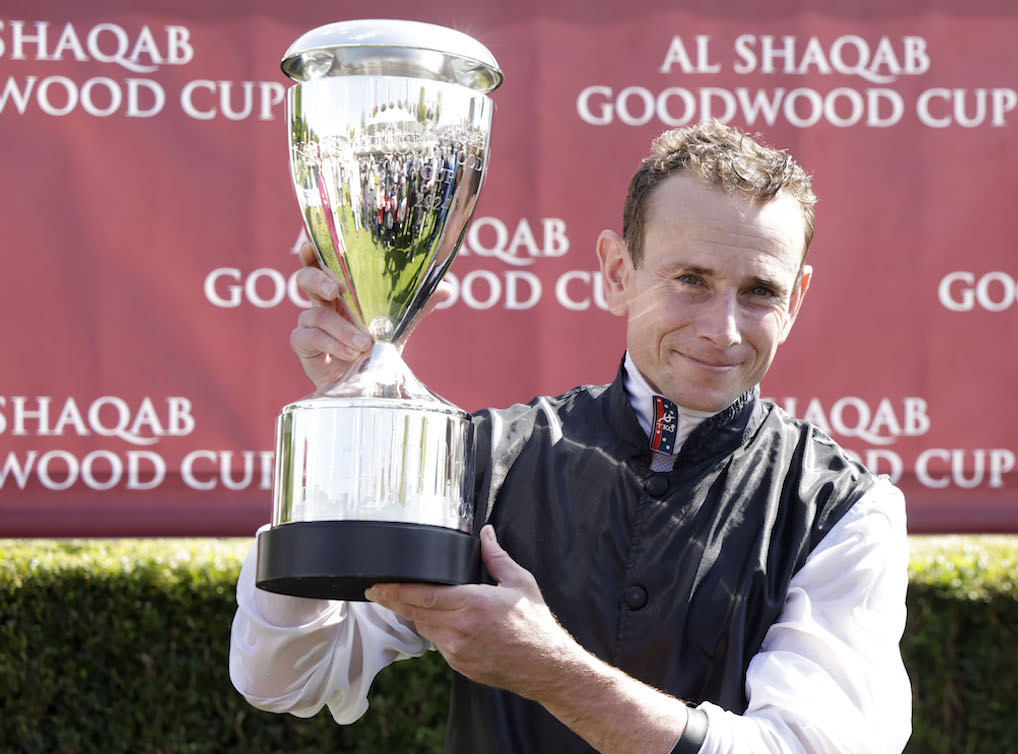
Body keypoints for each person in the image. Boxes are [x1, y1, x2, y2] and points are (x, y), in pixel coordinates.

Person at [230, 121, 912, 754]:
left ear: (794, 302)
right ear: (618, 273)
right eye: (691, 281)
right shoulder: (484, 457)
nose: (723, 328)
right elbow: (287, 678)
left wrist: (548, 668)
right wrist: (349, 418)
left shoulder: (844, 509)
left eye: (760, 292)